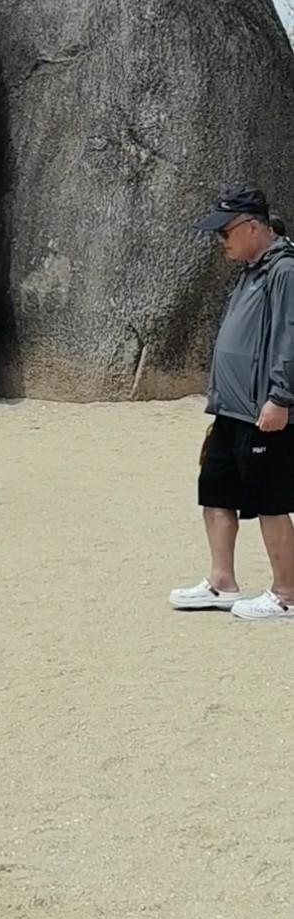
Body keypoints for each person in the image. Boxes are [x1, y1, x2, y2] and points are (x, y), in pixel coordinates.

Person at [170, 187, 294, 620]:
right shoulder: (249, 269)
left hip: (265, 411)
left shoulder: (284, 271)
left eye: (225, 231)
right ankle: (222, 582)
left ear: (252, 227)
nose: (220, 240)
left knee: (270, 501)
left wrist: (281, 397)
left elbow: (289, 338)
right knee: (216, 491)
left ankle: (287, 594)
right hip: (230, 408)